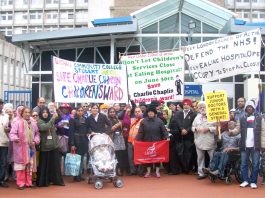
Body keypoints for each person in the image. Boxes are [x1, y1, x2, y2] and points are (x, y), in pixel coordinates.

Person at [9, 107, 40, 190]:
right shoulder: (17, 123)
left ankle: (28, 182)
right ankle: (21, 183)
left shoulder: (33, 123)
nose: (27, 114)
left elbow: (37, 134)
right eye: (25, 112)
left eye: (28, 112)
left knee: (29, 165)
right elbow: (12, 133)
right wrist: (15, 139)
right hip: (20, 148)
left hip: (31, 148)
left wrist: (36, 141)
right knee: (21, 166)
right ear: (22, 113)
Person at [136, 107, 168, 178]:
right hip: (146, 142)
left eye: (152, 112)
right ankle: (148, 172)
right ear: (147, 113)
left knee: (157, 157)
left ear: (155, 113)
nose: (150, 113)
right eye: (149, 112)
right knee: (148, 157)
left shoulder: (159, 121)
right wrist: (137, 140)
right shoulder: (143, 121)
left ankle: (157, 172)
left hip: (157, 143)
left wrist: (167, 137)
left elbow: (164, 131)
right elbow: (140, 132)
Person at [37, 107, 64, 187]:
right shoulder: (39, 121)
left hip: (54, 146)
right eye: (43, 112)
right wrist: (52, 118)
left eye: (46, 112)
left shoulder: (51, 118)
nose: (45, 114)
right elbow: (45, 127)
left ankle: (56, 180)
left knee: (55, 164)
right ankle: (44, 181)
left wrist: (56, 110)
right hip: (45, 147)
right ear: (41, 114)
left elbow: (59, 117)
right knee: (44, 165)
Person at [239, 100, 262, 189]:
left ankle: (253, 181)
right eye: (247, 107)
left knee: (255, 164)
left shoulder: (259, 118)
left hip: (255, 145)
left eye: (251, 107)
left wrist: (263, 144)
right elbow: (238, 129)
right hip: (244, 145)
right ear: (246, 108)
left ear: (253, 108)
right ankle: (245, 180)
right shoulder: (242, 118)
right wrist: (231, 132)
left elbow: (262, 131)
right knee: (243, 164)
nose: (249, 108)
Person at [192, 101, 217, 180]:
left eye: (204, 107)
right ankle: (201, 173)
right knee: (200, 158)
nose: (202, 109)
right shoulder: (197, 118)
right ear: (199, 109)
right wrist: (195, 128)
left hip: (210, 140)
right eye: (200, 107)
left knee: (212, 157)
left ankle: (212, 172)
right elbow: (192, 127)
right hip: (199, 141)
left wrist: (209, 129)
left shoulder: (212, 117)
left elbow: (217, 128)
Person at [175, 98, 196, 174]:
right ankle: (182, 168)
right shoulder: (178, 113)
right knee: (180, 152)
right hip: (180, 136)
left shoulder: (194, 114)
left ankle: (188, 168)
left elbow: (193, 124)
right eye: (184, 104)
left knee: (188, 153)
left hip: (189, 137)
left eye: (187, 104)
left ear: (190, 105)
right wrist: (181, 129)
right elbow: (177, 122)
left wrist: (187, 130)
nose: (186, 106)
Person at [69, 106, 89, 182]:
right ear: (76, 111)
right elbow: (71, 132)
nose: (80, 112)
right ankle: (76, 176)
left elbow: (87, 129)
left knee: (81, 158)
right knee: (77, 159)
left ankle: (80, 174)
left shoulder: (85, 119)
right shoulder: (73, 119)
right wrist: (72, 144)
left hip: (84, 141)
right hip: (76, 141)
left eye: (81, 110)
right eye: (79, 110)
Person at [108, 107, 126, 176]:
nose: (112, 113)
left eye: (113, 112)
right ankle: (113, 169)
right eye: (111, 112)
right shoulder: (107, 120)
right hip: (112, 139)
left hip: (119, 138)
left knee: (120, 154)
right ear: (108, 113)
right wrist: (116, 125)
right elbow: (108, 130)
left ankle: (119, 169)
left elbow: (122, 128)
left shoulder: (118, 119)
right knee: (113, 154)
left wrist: (121, 125)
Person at [127, 107, 143, 175]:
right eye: (136, 111)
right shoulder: (132, 119)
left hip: (139, 142)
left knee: (139, 157)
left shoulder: (143, 120)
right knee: (130, 157)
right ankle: (133, 171)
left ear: (141, 112)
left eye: (138, 111)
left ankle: (140, 171)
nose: (137, 113)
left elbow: (142, 132)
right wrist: (127, 110)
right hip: (130, 141)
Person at [0, 99, 9, 188]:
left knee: (3, 162)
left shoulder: (6, 116)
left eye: (1, 104)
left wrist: (8, 129)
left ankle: (1, 180)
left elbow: (9, 127)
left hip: (4, 141)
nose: (0, 106)